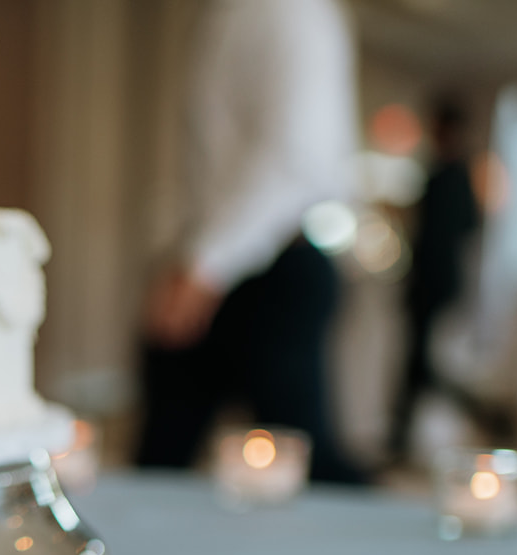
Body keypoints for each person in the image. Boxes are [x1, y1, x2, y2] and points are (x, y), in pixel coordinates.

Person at [135, 0, 367, 484]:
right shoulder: (227, 14)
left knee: (309, 469)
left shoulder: (290, 12)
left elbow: (293, 157)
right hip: (220, 255)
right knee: (163, 456)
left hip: (269, 264)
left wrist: (205, 265)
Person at [386, 96, 504, 464]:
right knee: (422, 366)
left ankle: (485, 416)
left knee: (423, 368)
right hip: (441, 283)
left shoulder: (447, 175)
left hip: (432, 285)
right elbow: (470, 227)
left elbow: (435, 236)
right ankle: (403, 438)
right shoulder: (459, 174)